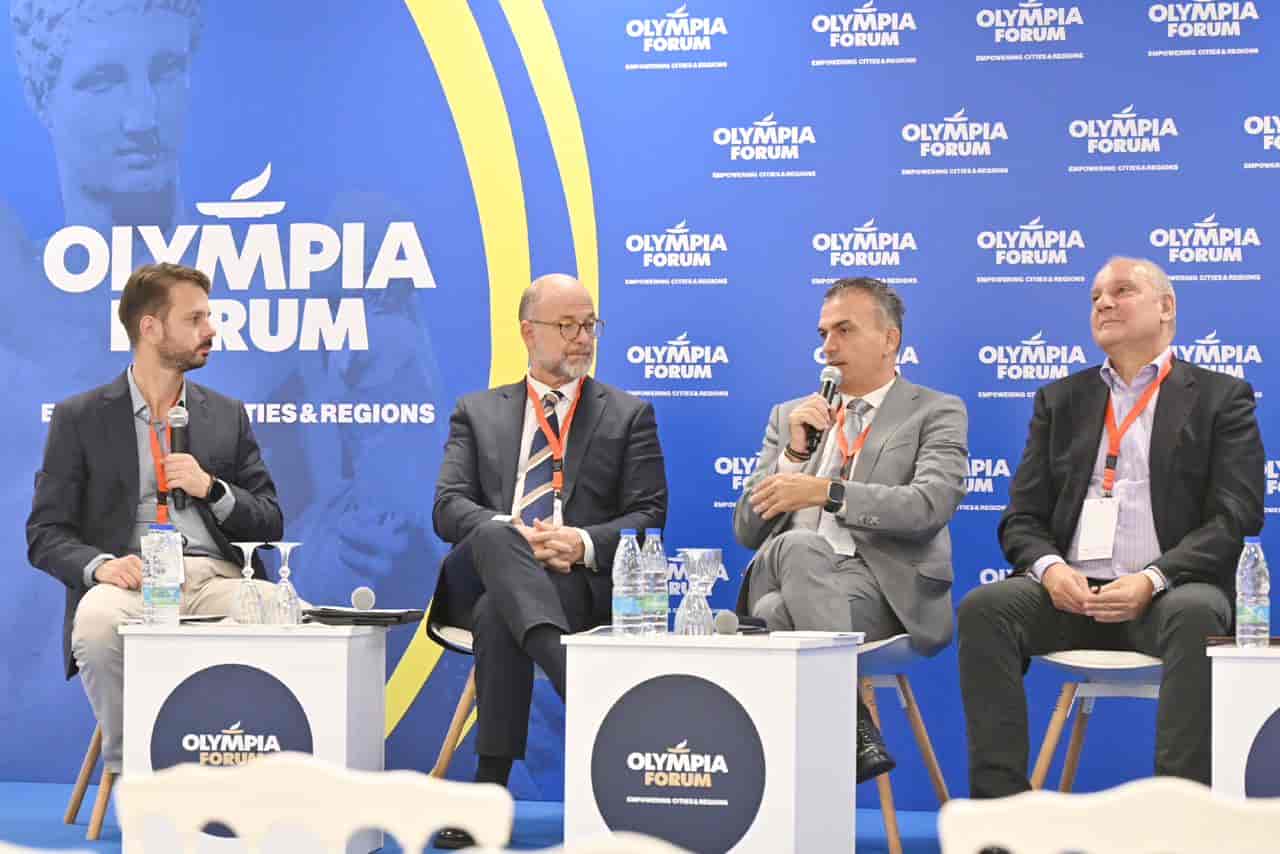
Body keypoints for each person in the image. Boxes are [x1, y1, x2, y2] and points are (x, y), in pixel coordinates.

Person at [958, 257, 1265, 797]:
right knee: (985, 609)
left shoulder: (1221, 397)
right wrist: (1051, 571)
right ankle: (999, 809)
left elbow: (1235, 515)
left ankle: (1178, 809)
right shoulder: (1061, 400)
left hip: (1168, 595)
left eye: (1122, 291)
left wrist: (1152, 578)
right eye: (1096, 295)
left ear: (1165, 307)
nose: (1103, 302)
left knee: (1197, 613)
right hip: (1069, 598)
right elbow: (1021, 518)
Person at [428, 273, 668, 849]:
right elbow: (447, 507)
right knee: (496, 535)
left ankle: (489, 793)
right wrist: (516, 536)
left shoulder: (627, 414)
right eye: (567, 325)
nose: (583, 337)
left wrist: (581, 542)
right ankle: (574, 678)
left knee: (498, 617)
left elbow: (649, 514)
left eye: (589, 325)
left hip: (569, 585)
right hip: (485, 567)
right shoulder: (477, 411)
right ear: (528, 332)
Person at [26, 262, 285, 773]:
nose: (211, 330)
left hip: (215, 579)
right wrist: (101, 566)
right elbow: (45, 533)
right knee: (95, 624)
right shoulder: (81, 418)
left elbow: (270, 520)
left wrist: (211, 488)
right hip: (132, 582)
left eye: (208, 317)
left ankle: (244, 769)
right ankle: (137, 769)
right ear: (150, 328)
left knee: (281, 610)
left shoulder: (225, 414)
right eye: (195, 319)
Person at [733, 276, 968, 784]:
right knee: (797, 546)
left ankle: (786, 788)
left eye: (844, 330)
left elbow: (929, 505)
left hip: (878, 584)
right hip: (785, 565)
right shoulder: (793, 416)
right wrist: (792, 455)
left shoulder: (935, 410)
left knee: (773, 615)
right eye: (823, 333)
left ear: (889, 339)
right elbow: (747, 531)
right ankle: (853, 723)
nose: (828, 346)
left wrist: (826, 492)